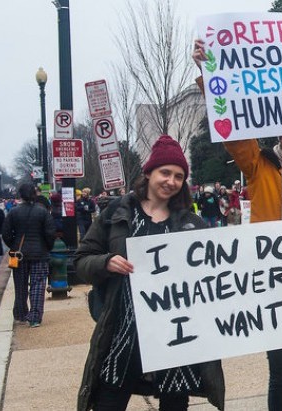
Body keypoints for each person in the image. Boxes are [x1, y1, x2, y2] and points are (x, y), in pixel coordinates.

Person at [191, 39, 282, 411]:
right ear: (280, 136)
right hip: (272, 287)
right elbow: (232, 131)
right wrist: (211, 75)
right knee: (281, 374)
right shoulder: (259, 166)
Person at [74, 135, 224, 410]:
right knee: (108, 401)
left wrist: (279, 271)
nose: (171, 181)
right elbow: (81, 260)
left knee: (175, 405)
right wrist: (106, 262)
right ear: (148, 173)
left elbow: (221, 274)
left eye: (179, 176)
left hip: (176, 338)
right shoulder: (116, 214)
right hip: (123, 333)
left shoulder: (193, 224)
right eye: (165, 172)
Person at [1, 183, 55, 328]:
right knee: (38, 285)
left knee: (20, 285)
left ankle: (20, 313)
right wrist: (47, 247)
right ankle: (35, 317)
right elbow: (50, 233)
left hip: (19, 254)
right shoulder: (43, 212)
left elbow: (5, 233)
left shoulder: (13, 212)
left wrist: (14, 244)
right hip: (40, 253)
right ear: (35, 194)